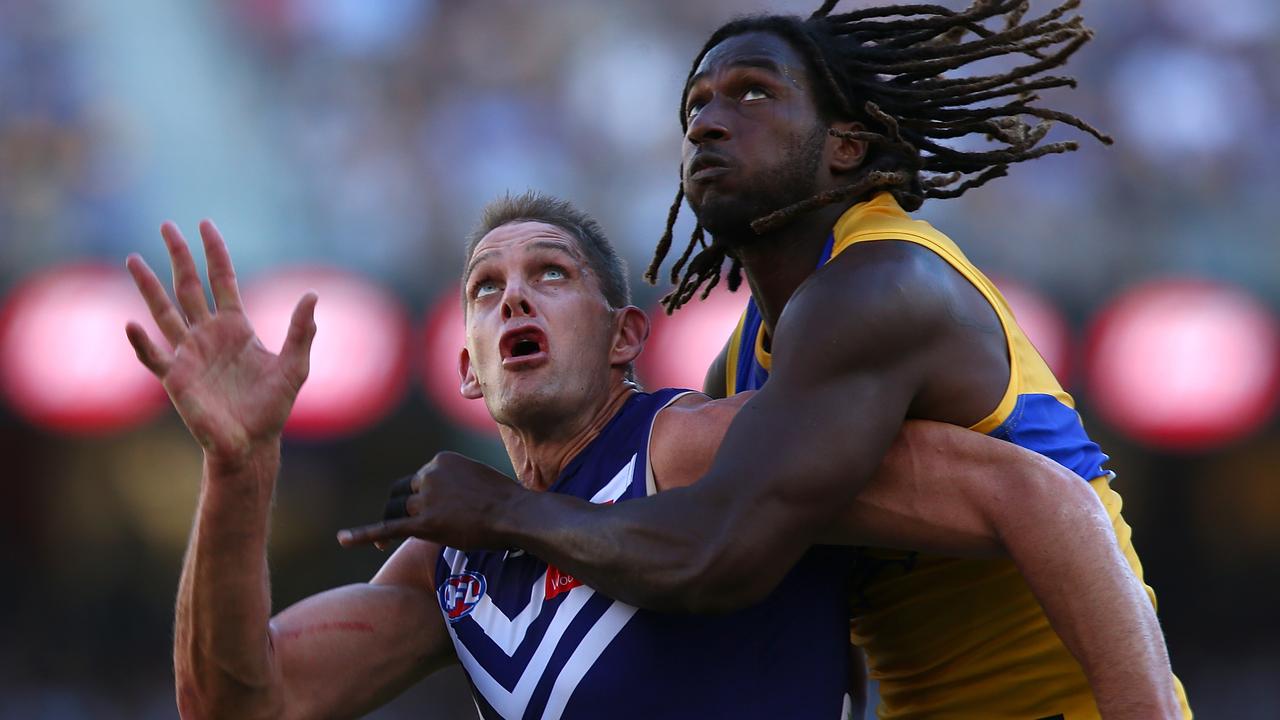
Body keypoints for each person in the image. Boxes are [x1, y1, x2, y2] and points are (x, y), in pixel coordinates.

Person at [339, 2, 1192, 719]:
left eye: (752, 94)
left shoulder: (880, 283)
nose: (709, 121)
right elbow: (800, 611)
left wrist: (499, 513)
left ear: (846, 146)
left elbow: (719, 553)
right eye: (697, 108)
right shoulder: (746, 360)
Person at [135, 195, 1162, 719]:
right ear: (464, 369)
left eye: (550, 274)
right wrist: (239, 468)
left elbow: (1042, 498)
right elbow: (238, 703)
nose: (515, 298)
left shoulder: (699, 446)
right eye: (486, 288)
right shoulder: (453, 563)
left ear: (625, 335)